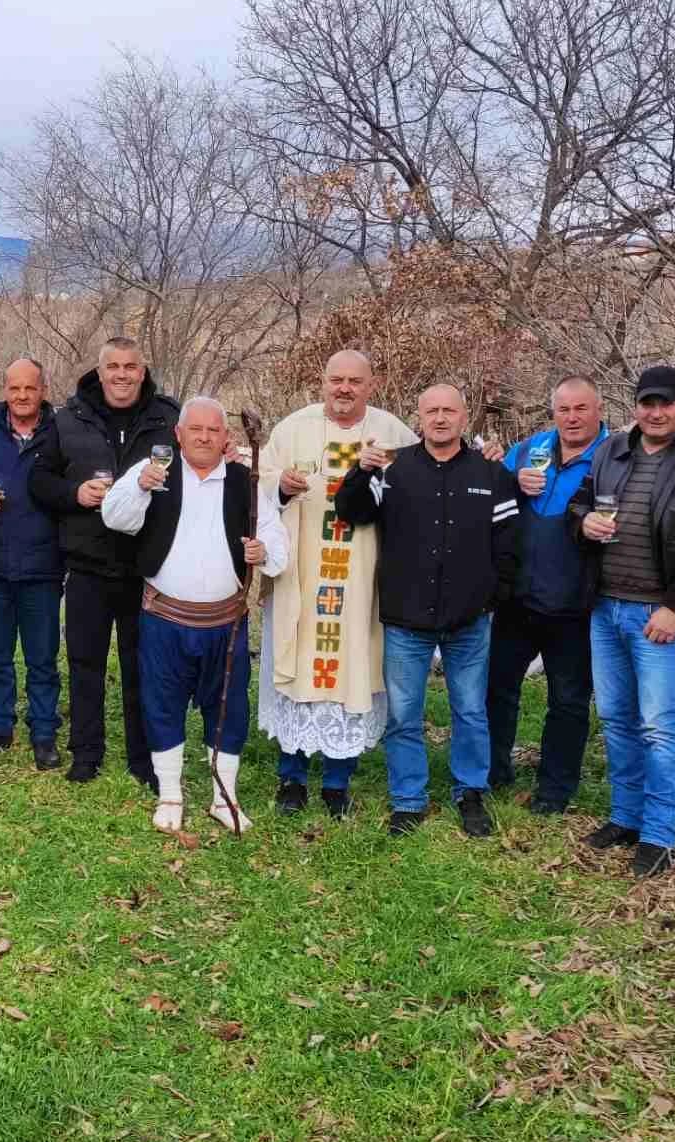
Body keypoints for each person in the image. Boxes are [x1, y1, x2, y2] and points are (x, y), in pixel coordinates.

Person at [567, 365, 675, 877]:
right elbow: (579, 503)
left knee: (658, 725)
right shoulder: (612, 449)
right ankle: (625, 816)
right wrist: (584, 522)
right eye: (647, 403)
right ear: (635, 405)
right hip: (606, 607)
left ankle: (658, 835)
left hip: (659, 613)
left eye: (666, 403)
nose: (655, 413)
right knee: (616, 719)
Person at [336, 383, 520, 840]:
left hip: (469, 620)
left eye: (449, 411)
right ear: (418, 417)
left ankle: (470, 791)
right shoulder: (393, 468)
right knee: (403, 714)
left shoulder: (491, 473)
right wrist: (360, 471)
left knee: (471, 711)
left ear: (464, 415)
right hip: (407, 617)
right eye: (431, 411)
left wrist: (492, 596)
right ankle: (408, 799)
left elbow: (510, 543)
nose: (440, 418)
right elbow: (351, 511)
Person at [102, 397, 287, 830]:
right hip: (164, 619)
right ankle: (170, 794)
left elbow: (275, 539)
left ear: (226, 437)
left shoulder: (244, 480)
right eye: (195, 429)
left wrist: (264, 553)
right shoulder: (155, 472)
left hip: (226, 621)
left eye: (213, 430)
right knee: (161, 703)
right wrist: (140, 487)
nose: (204, 436)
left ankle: (225, 798)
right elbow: (115, 518)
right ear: (178, 434)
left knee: (228, 708)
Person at [257, 349, 415, 819]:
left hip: (361, 577)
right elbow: (259, 484)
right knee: (298, 662)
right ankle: (292, 776)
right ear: (322, 381)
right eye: (336, 380)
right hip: (303, 575)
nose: (344, 389)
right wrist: (282, 486)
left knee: (351, 668)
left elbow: (422, 486)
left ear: (372, 384)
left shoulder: (393, 434)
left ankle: (336, 781)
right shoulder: (292, 429)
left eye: (354, 381)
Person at [30, 337, 180, 787]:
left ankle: (143, 758)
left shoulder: (167, 418)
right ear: (99, 371)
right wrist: (74, 494)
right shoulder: (68, 419)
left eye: (129, 366)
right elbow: (38, 479)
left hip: (146, 568)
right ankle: (86, 753)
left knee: (143, 668)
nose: (120, 375)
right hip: (88, 564)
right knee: (84, 664)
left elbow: (197, 465)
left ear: (142, 369)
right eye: (112, 366)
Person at [486, 375, 609, 814]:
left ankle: (555, 789)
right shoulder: (530, 449)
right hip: (517, 600)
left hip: (576, 605)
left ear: (598, 410)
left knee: (569, 701)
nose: (572, 418)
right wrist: (510, 478)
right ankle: (493, 771)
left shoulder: (614, 456)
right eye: (563, 409)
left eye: (581, 409)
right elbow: (490, 496)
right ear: (552, 411)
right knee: (497, 690)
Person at [0, 357, 65, 770]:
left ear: (43, 390)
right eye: (14, 388)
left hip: (44, 563)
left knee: (42, 656)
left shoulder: (60, 433)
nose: (22, 396)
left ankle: (44, 732)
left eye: (30, 388)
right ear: (4, 390)